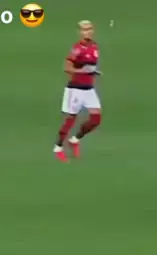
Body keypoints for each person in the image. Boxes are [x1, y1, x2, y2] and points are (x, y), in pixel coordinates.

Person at [53, 20, 102, 162]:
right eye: (84, 29)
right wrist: (82, 71)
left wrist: (94, 71)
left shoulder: (95, 47)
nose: (87, 32)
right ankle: (58, 147)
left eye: (89, 29)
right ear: (80, 32)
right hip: (75, 89)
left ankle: (74, 140)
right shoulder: (77, 49)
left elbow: (90, 66)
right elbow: (67, 68)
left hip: (89, 89)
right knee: (71, 119)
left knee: (96, 119)